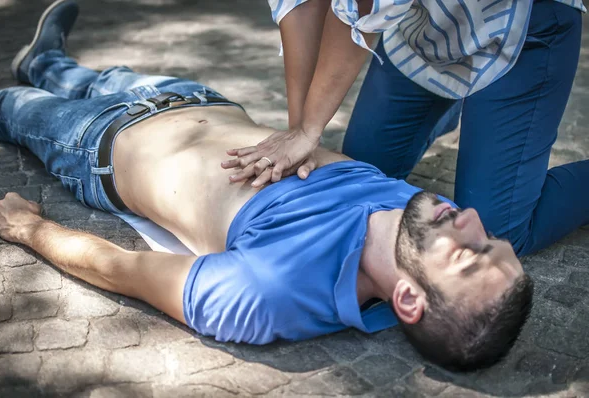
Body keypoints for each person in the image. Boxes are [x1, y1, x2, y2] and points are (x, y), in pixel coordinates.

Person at [0, 0, 533, 372]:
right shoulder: (413, 211)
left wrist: (31, 230)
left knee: (5, 110)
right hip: (193, 97)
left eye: (468, 254)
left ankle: (38, 73)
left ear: (409, 299)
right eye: (491, 238)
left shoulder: (275, 293)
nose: (472, 220)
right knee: (76, 75)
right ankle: (43, 60)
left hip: (94, 143)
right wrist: (305, 124)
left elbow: (127, 270)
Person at [224, 0, 589, 257]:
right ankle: (454, 111)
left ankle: (484, 111)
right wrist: (301, 129)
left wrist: (308, 131)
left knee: (494, 230)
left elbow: (361, 10)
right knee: (361, 173)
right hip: (425, 28)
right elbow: (300, 4)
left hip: (522, 26)